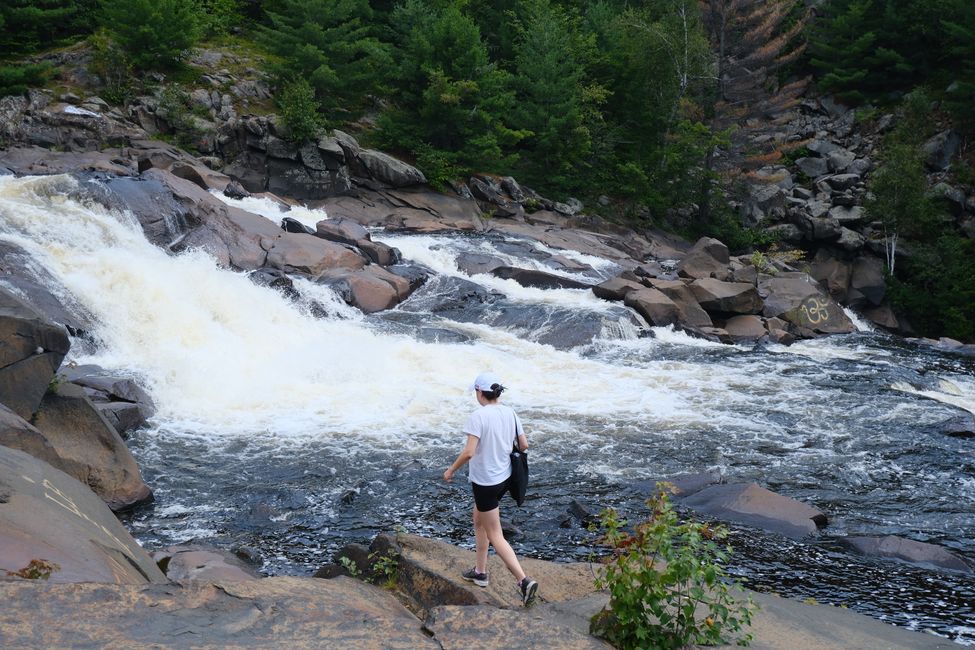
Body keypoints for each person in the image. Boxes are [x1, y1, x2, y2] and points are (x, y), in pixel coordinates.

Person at [443, 371, 538, 606]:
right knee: (478, 520)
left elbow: (469, 452)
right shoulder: (510, 412)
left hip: (485, 483)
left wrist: (451, 470)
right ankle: (480, 572)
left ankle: (523, 581)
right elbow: (524, 444)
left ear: (479, 392)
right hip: (504, 478)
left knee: (495, 534)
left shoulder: (478, 416)